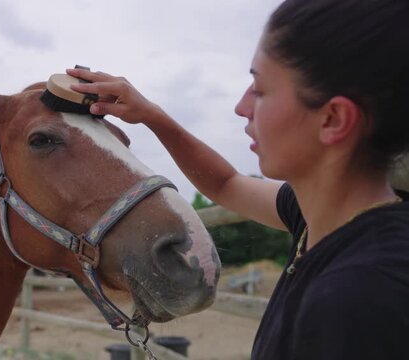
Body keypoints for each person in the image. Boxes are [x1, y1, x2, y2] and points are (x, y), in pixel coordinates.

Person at [67, 0, 409, 358]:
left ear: (333, 119)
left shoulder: (359, 300)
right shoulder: (324, 219)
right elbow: (225, 184)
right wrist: (151, 115)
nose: (241, 107)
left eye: (259, 90)